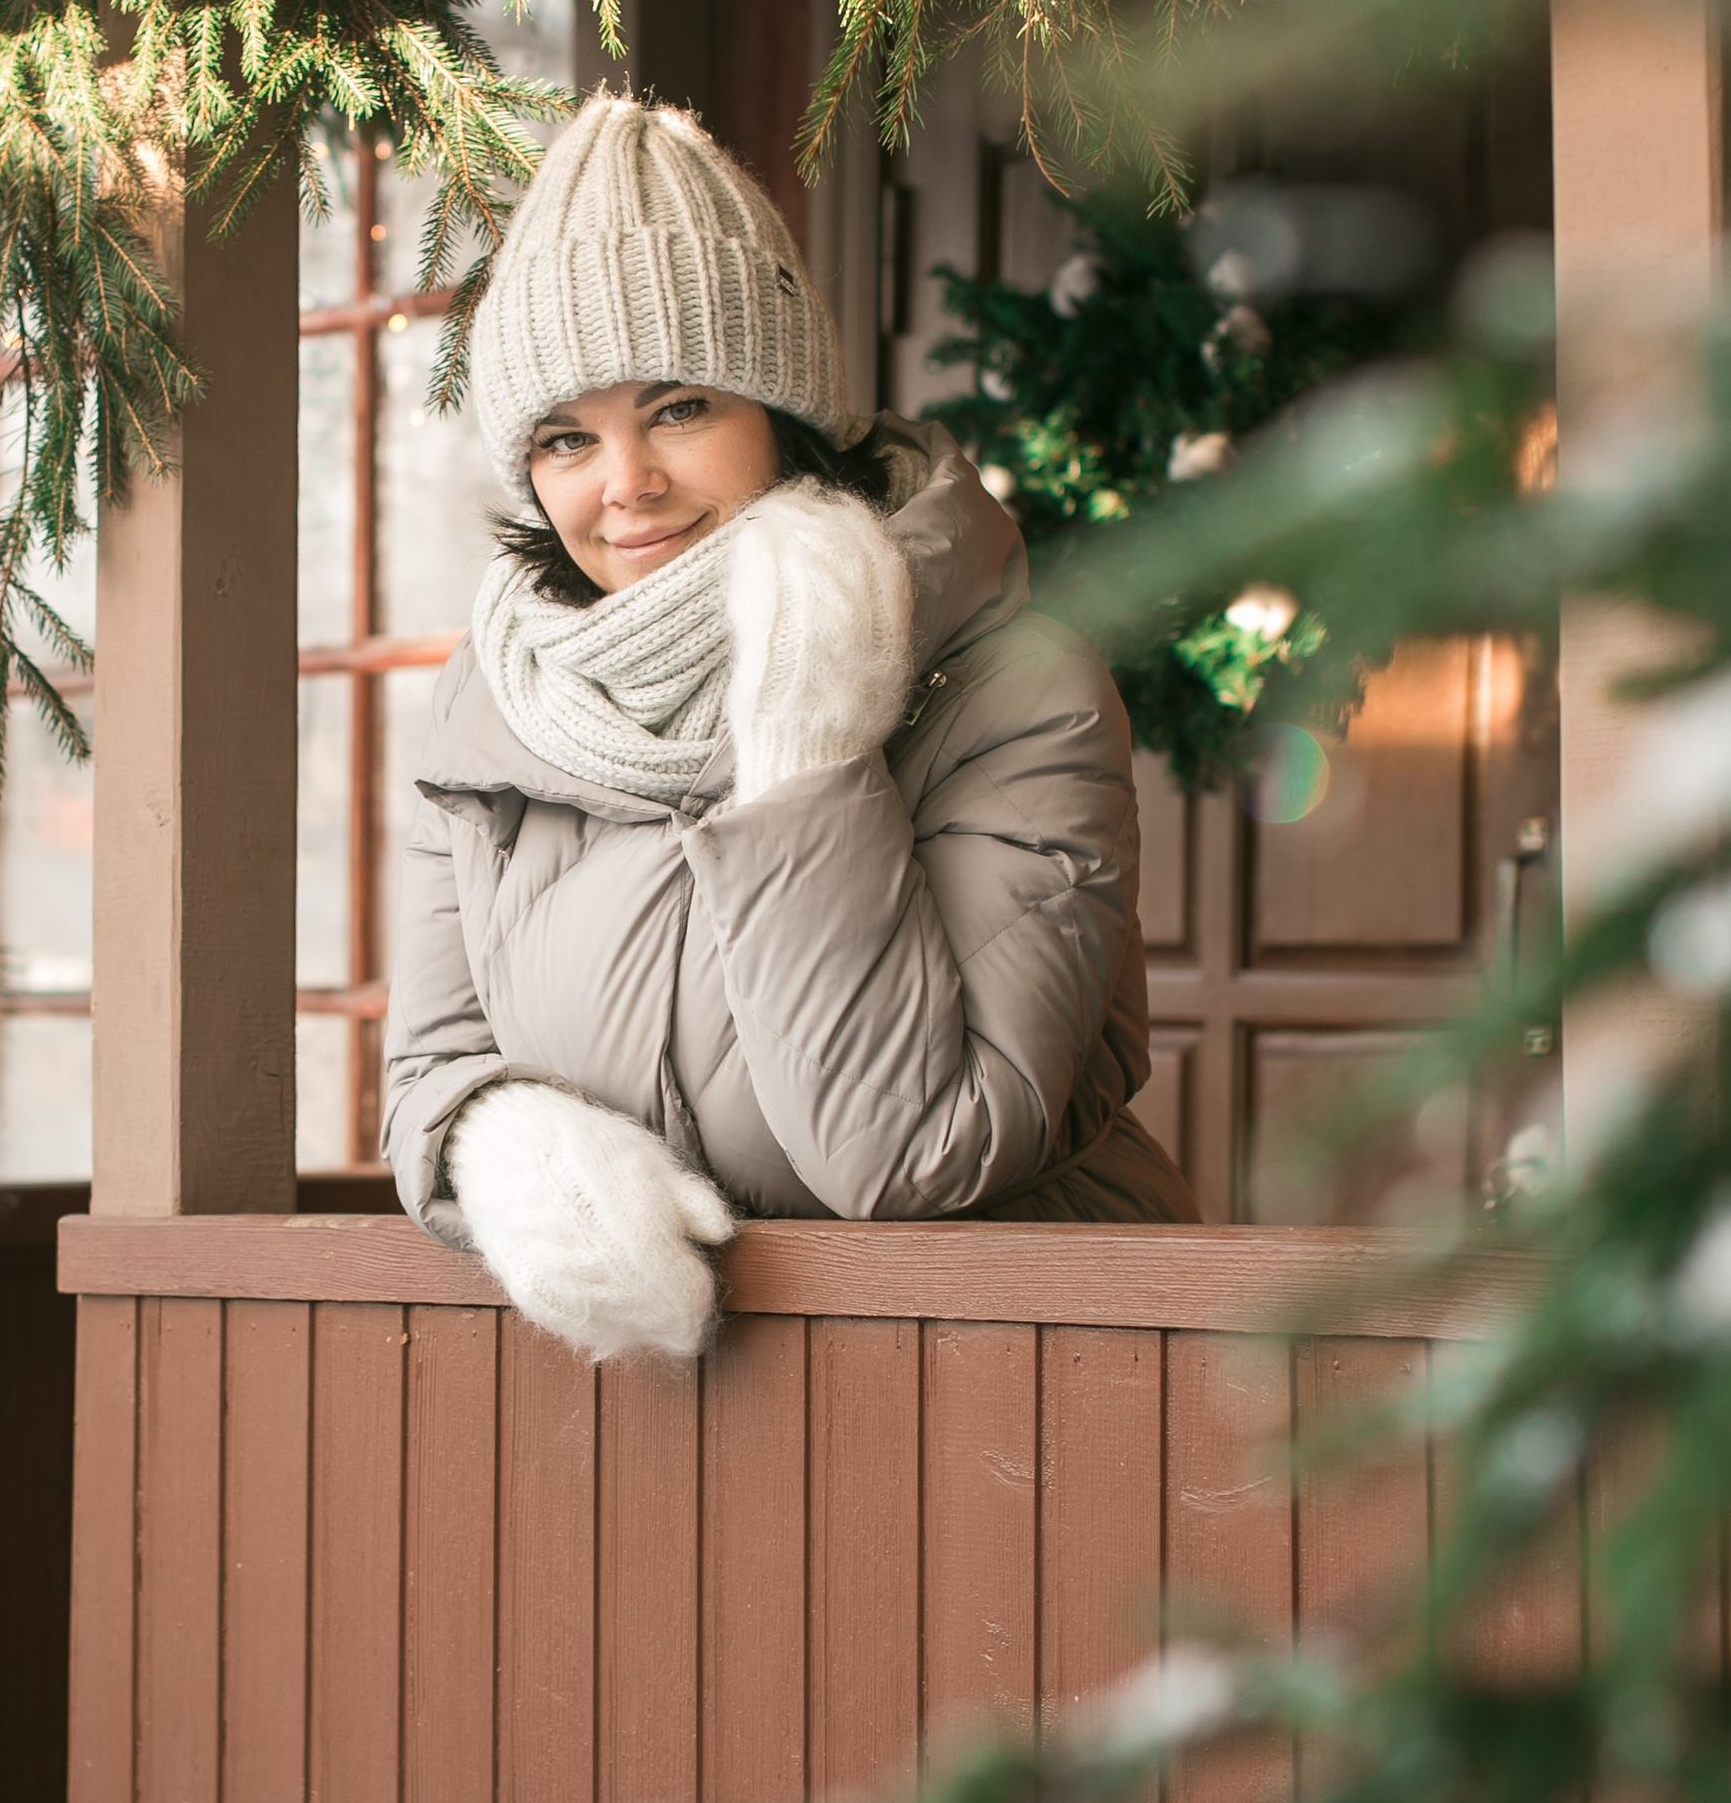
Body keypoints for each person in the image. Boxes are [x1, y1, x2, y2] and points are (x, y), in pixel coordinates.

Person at [381, 89, 1198, 1360]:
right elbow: (430, 1074)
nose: (624, 484)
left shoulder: (1013, 685)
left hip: (1032, 1378)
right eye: (563, 438)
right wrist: (509, 1145)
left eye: (679, 407)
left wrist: (810, 746)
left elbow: (913, 1149)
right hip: (699, 1416)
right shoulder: (495, 706)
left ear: (786, 411)